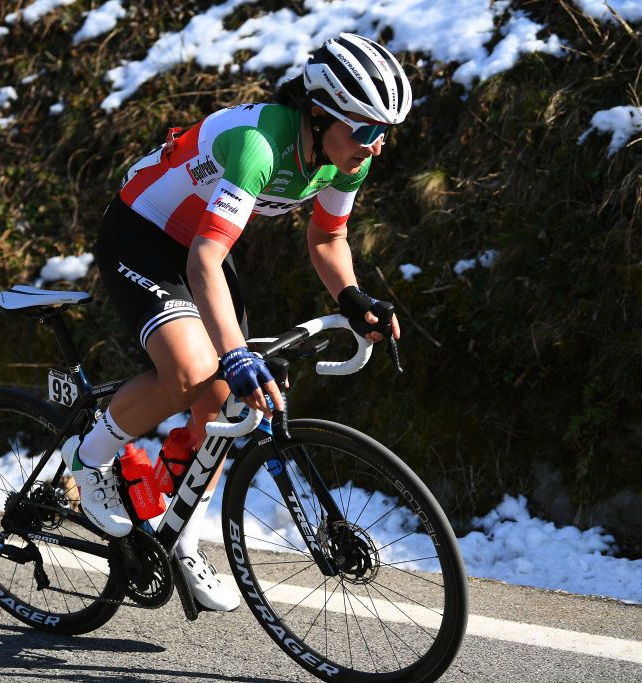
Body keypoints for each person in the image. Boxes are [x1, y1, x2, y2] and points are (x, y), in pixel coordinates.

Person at [60, 32, 412, 612]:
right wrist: (235, 353)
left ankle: (183, 541)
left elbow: (328, 236)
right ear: (320, 113)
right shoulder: (257, 145)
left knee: (229, 404)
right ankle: (89, 456)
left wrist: (351, 297)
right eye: (368, 130)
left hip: (201, 247)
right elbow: (204, 261)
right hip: (144, 234)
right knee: (192, 372)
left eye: (385, 133)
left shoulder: (342, 155)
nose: (375, 147)